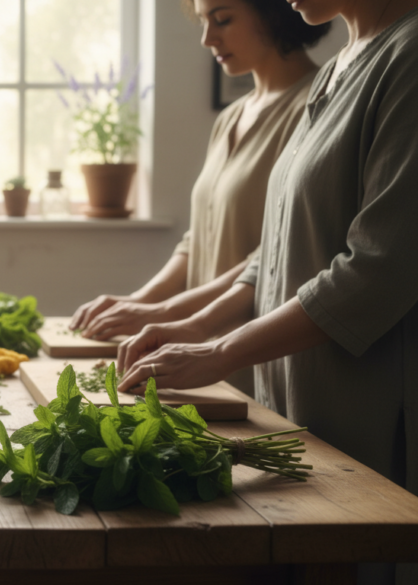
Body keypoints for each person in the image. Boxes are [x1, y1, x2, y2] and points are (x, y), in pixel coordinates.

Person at [118, 1, 418, 581]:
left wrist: (219, 351)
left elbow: (379, 266)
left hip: (366, 412)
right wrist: (192, 327)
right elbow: (272, 248)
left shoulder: (409, 57)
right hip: (294, 406)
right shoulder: (336, 69)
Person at [70, 0, 330, 356]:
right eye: (204, 22)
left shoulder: (315, 106)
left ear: (273, 14)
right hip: (199, 344)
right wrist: (138, 302)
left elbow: (273, 253)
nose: (208, 39)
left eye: (222, 20)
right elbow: (199, 238)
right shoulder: (232, 116)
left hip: (255, 345)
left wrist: (168, 311)